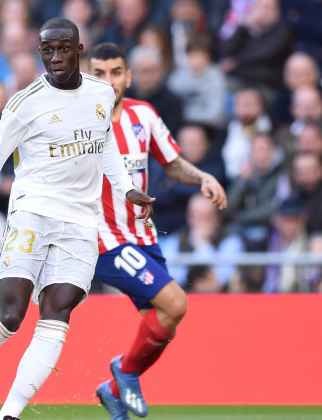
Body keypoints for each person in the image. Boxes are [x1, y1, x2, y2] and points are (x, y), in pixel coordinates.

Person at [0, 18, 154, 420]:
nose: (55, 58)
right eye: (47, 50)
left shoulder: (101, 93)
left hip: (80, 222)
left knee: (57, 313)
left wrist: (125, 186)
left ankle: (9, 415)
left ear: (80, 49)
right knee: (10, 314)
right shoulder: (25, 103)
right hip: (32, 213)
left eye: (63, 49)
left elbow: (105, 140)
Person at [88, 42, 228, 419]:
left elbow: (172, 162)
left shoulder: (144, 115)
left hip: (143, 237)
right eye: (98, 73)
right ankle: (125, 372)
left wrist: (202, 177)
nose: (108, 80)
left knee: (166, 321)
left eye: (115, 72)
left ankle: (113, 389)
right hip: (104, 239)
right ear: (88, 77)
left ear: (127, 77)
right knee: (176, 302)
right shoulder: (79, 123)